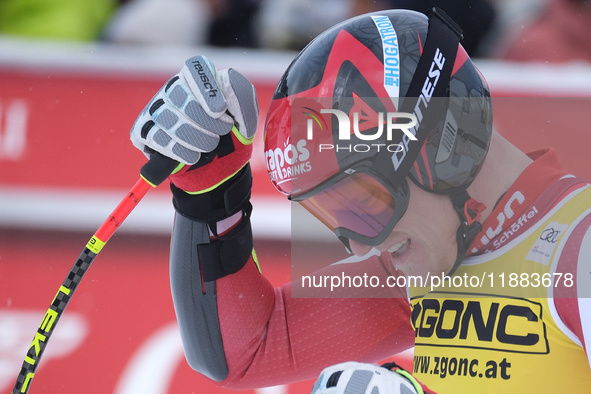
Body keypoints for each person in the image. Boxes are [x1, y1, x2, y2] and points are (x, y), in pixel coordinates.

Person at [129, 8, 591, 393]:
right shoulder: (430, 259)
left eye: (363, 203)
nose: (363, 246)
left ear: (440, 149)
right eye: (332, 216)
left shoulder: (578, 247)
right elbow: (242, 352)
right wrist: (210, 192)